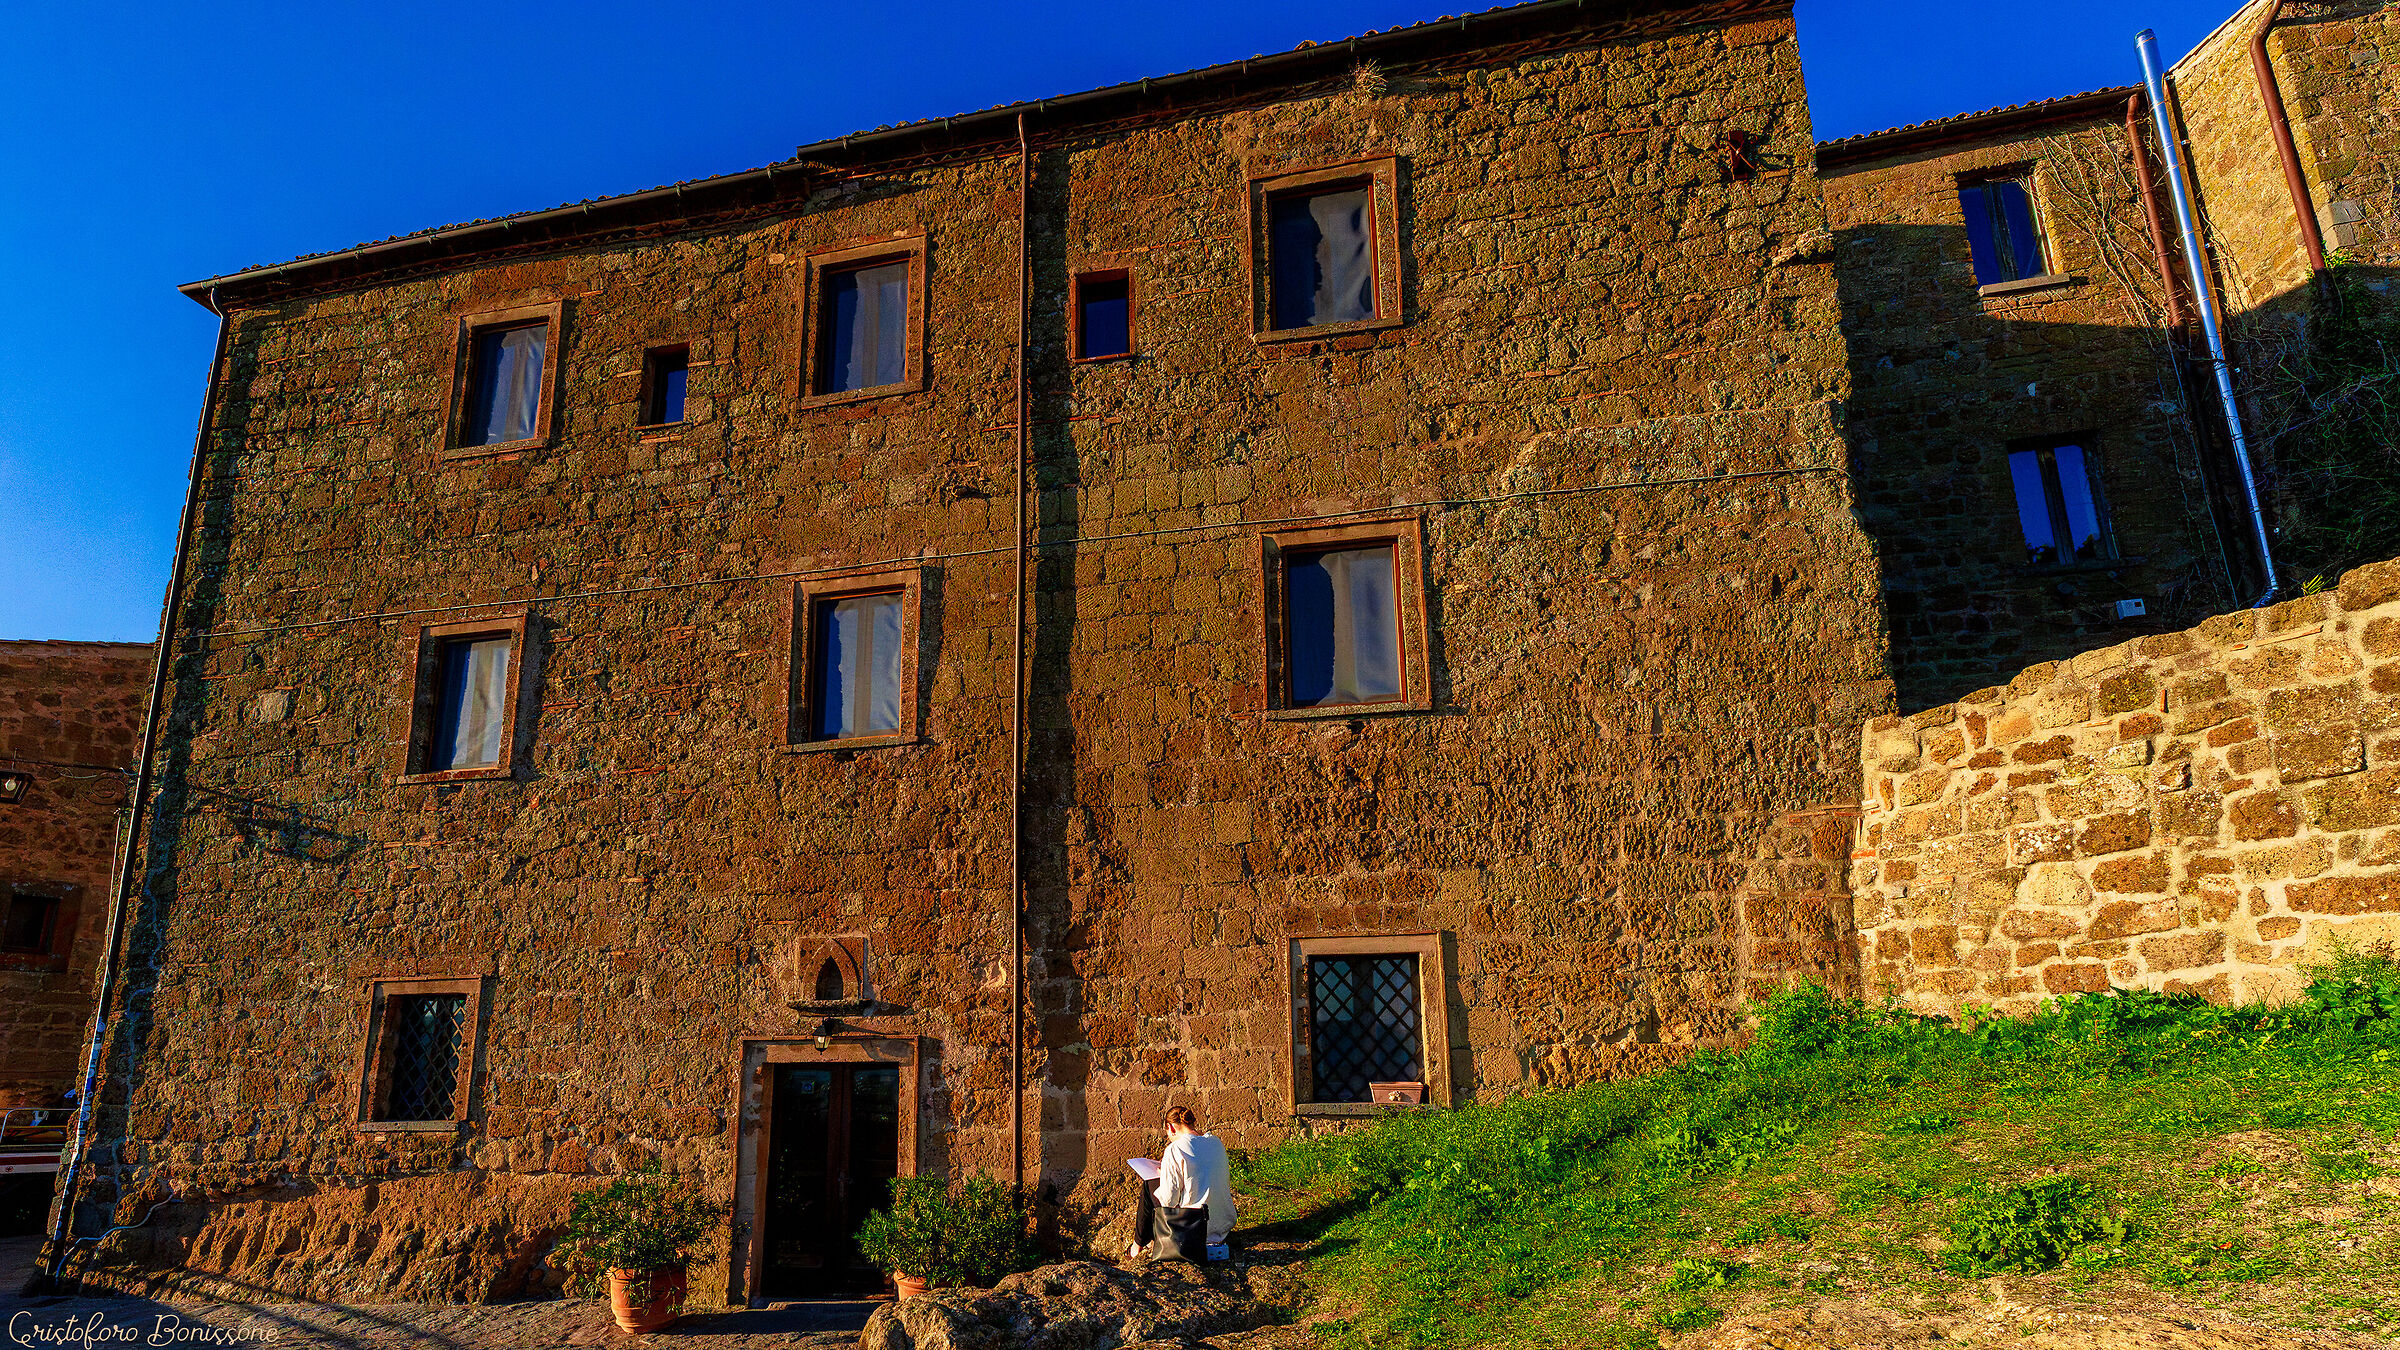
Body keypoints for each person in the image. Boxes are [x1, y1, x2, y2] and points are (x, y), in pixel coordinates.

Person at [1129, 1105, 1236, 1263]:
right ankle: (1137, 1246)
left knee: (1148, 1185)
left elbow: (1168, 1201)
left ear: (1171, 1127)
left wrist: (1164, 1175)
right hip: (1222, 1227)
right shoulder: (1215, 1142)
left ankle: (1136, 1247)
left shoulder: (1175, 1148)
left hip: (1195, 1228)